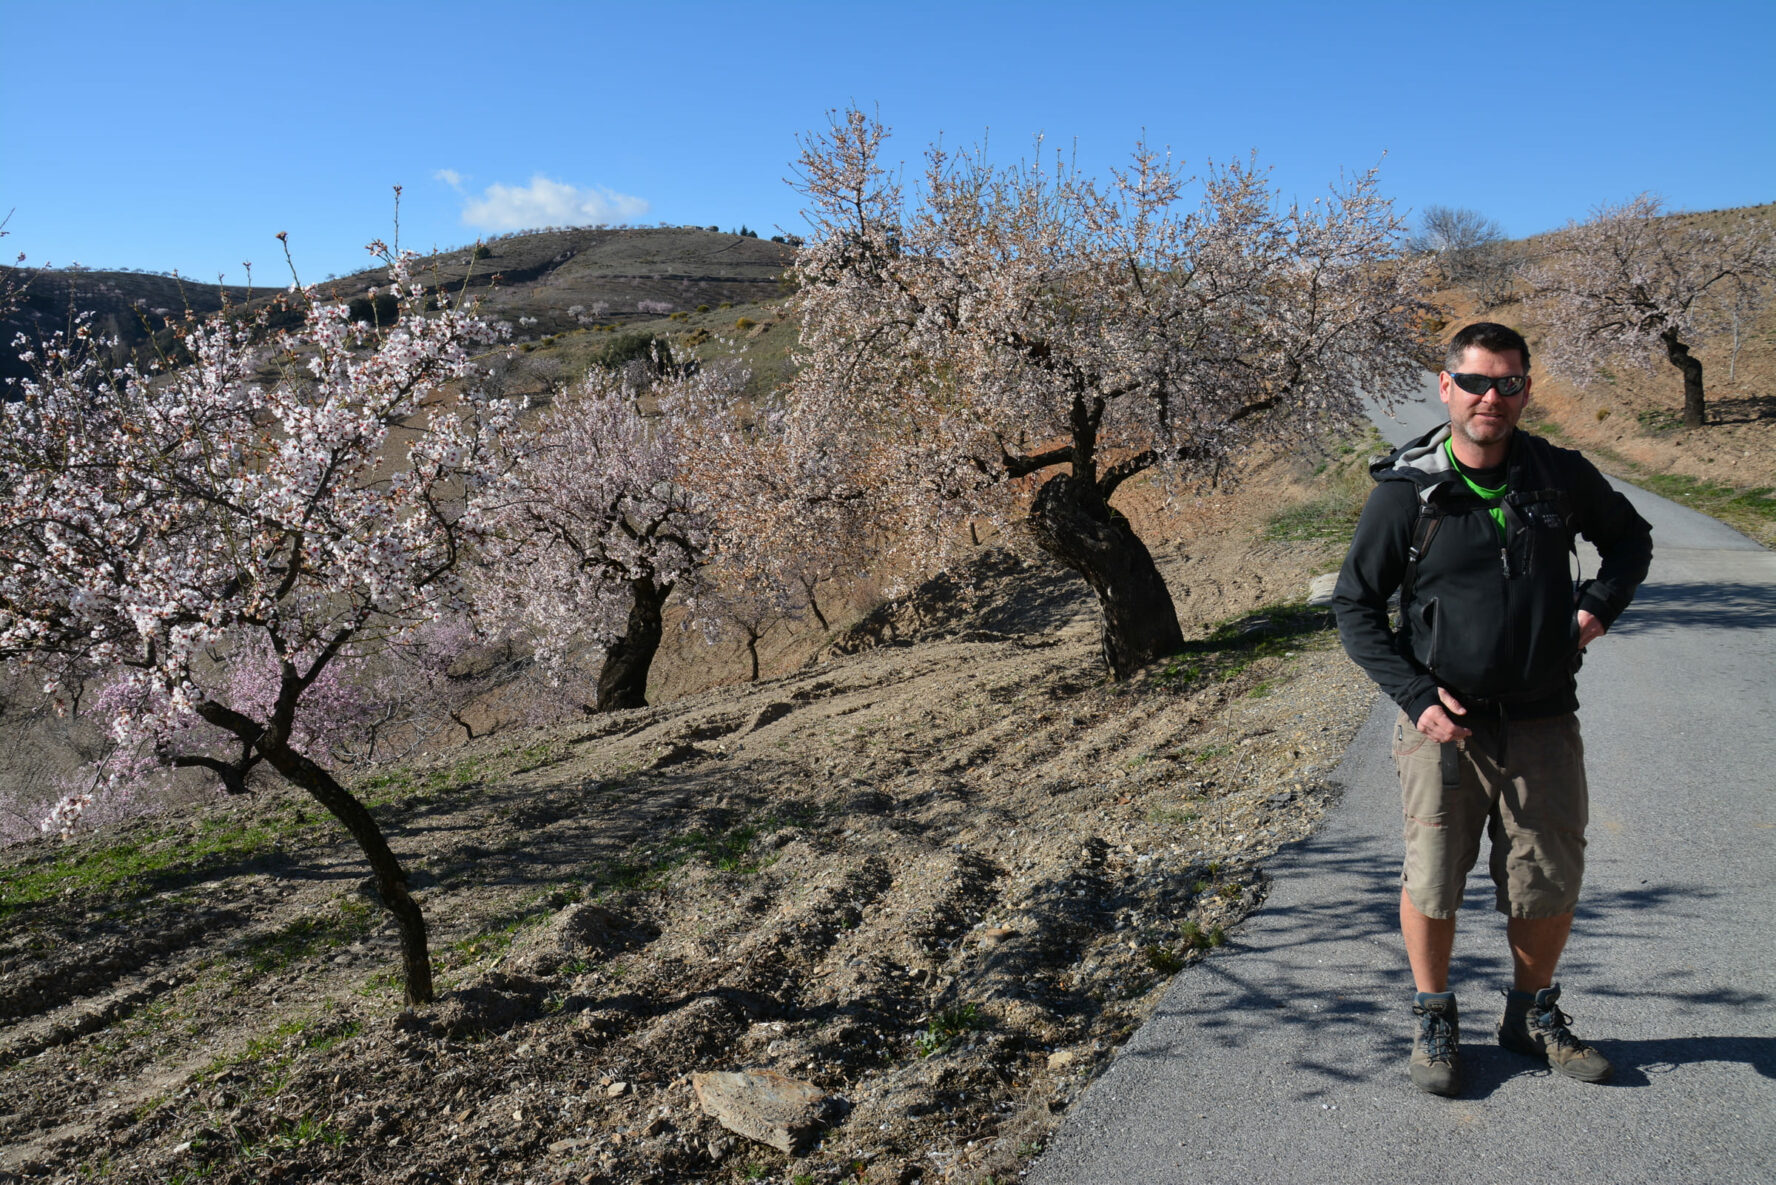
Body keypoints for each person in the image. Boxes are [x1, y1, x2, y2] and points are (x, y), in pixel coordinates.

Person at [1331, 322, 1653, 1097]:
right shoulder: (1406, 494)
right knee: (1435, 876)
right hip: (1444, 726)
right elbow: (1355, 606)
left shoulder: (1559, 476)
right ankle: (1435, 1013)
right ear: (1446, 387)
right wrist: (1414, 697)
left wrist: (1596, 608)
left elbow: (1630, 540)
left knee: (1546, 875)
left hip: (1543, 717)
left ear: (1526, 390)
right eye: (1475, 382)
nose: (1490, 398)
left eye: (1508, 383)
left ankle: (1531, 1014)